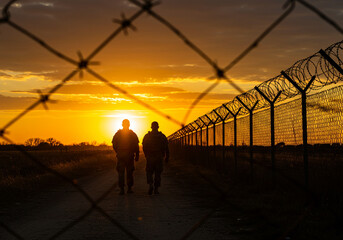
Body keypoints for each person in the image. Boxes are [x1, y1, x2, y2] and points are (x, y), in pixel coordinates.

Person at [112, 119, 139, 195]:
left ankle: (122, 189)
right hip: (129, 156)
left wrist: (118, 152)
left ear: (122, 125)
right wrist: (136, 155)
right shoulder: (132, 134)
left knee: (121, 173)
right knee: (129, 173)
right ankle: (129, 189)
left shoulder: (118, 134)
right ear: (129, 125)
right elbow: (136, 146)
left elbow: (114, 145)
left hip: (121, 156)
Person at [142, 121, 169, 195]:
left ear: (151, 127)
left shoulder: (147, 136)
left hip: (150, 157)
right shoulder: (162, 136)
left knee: (149, 172)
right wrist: (167, 157)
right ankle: (156, 189)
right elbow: (166, 147)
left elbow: (144, 147)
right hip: (159, 157)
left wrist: (146, 155)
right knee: (158, 173)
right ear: (158, 127)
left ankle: (150, 184)